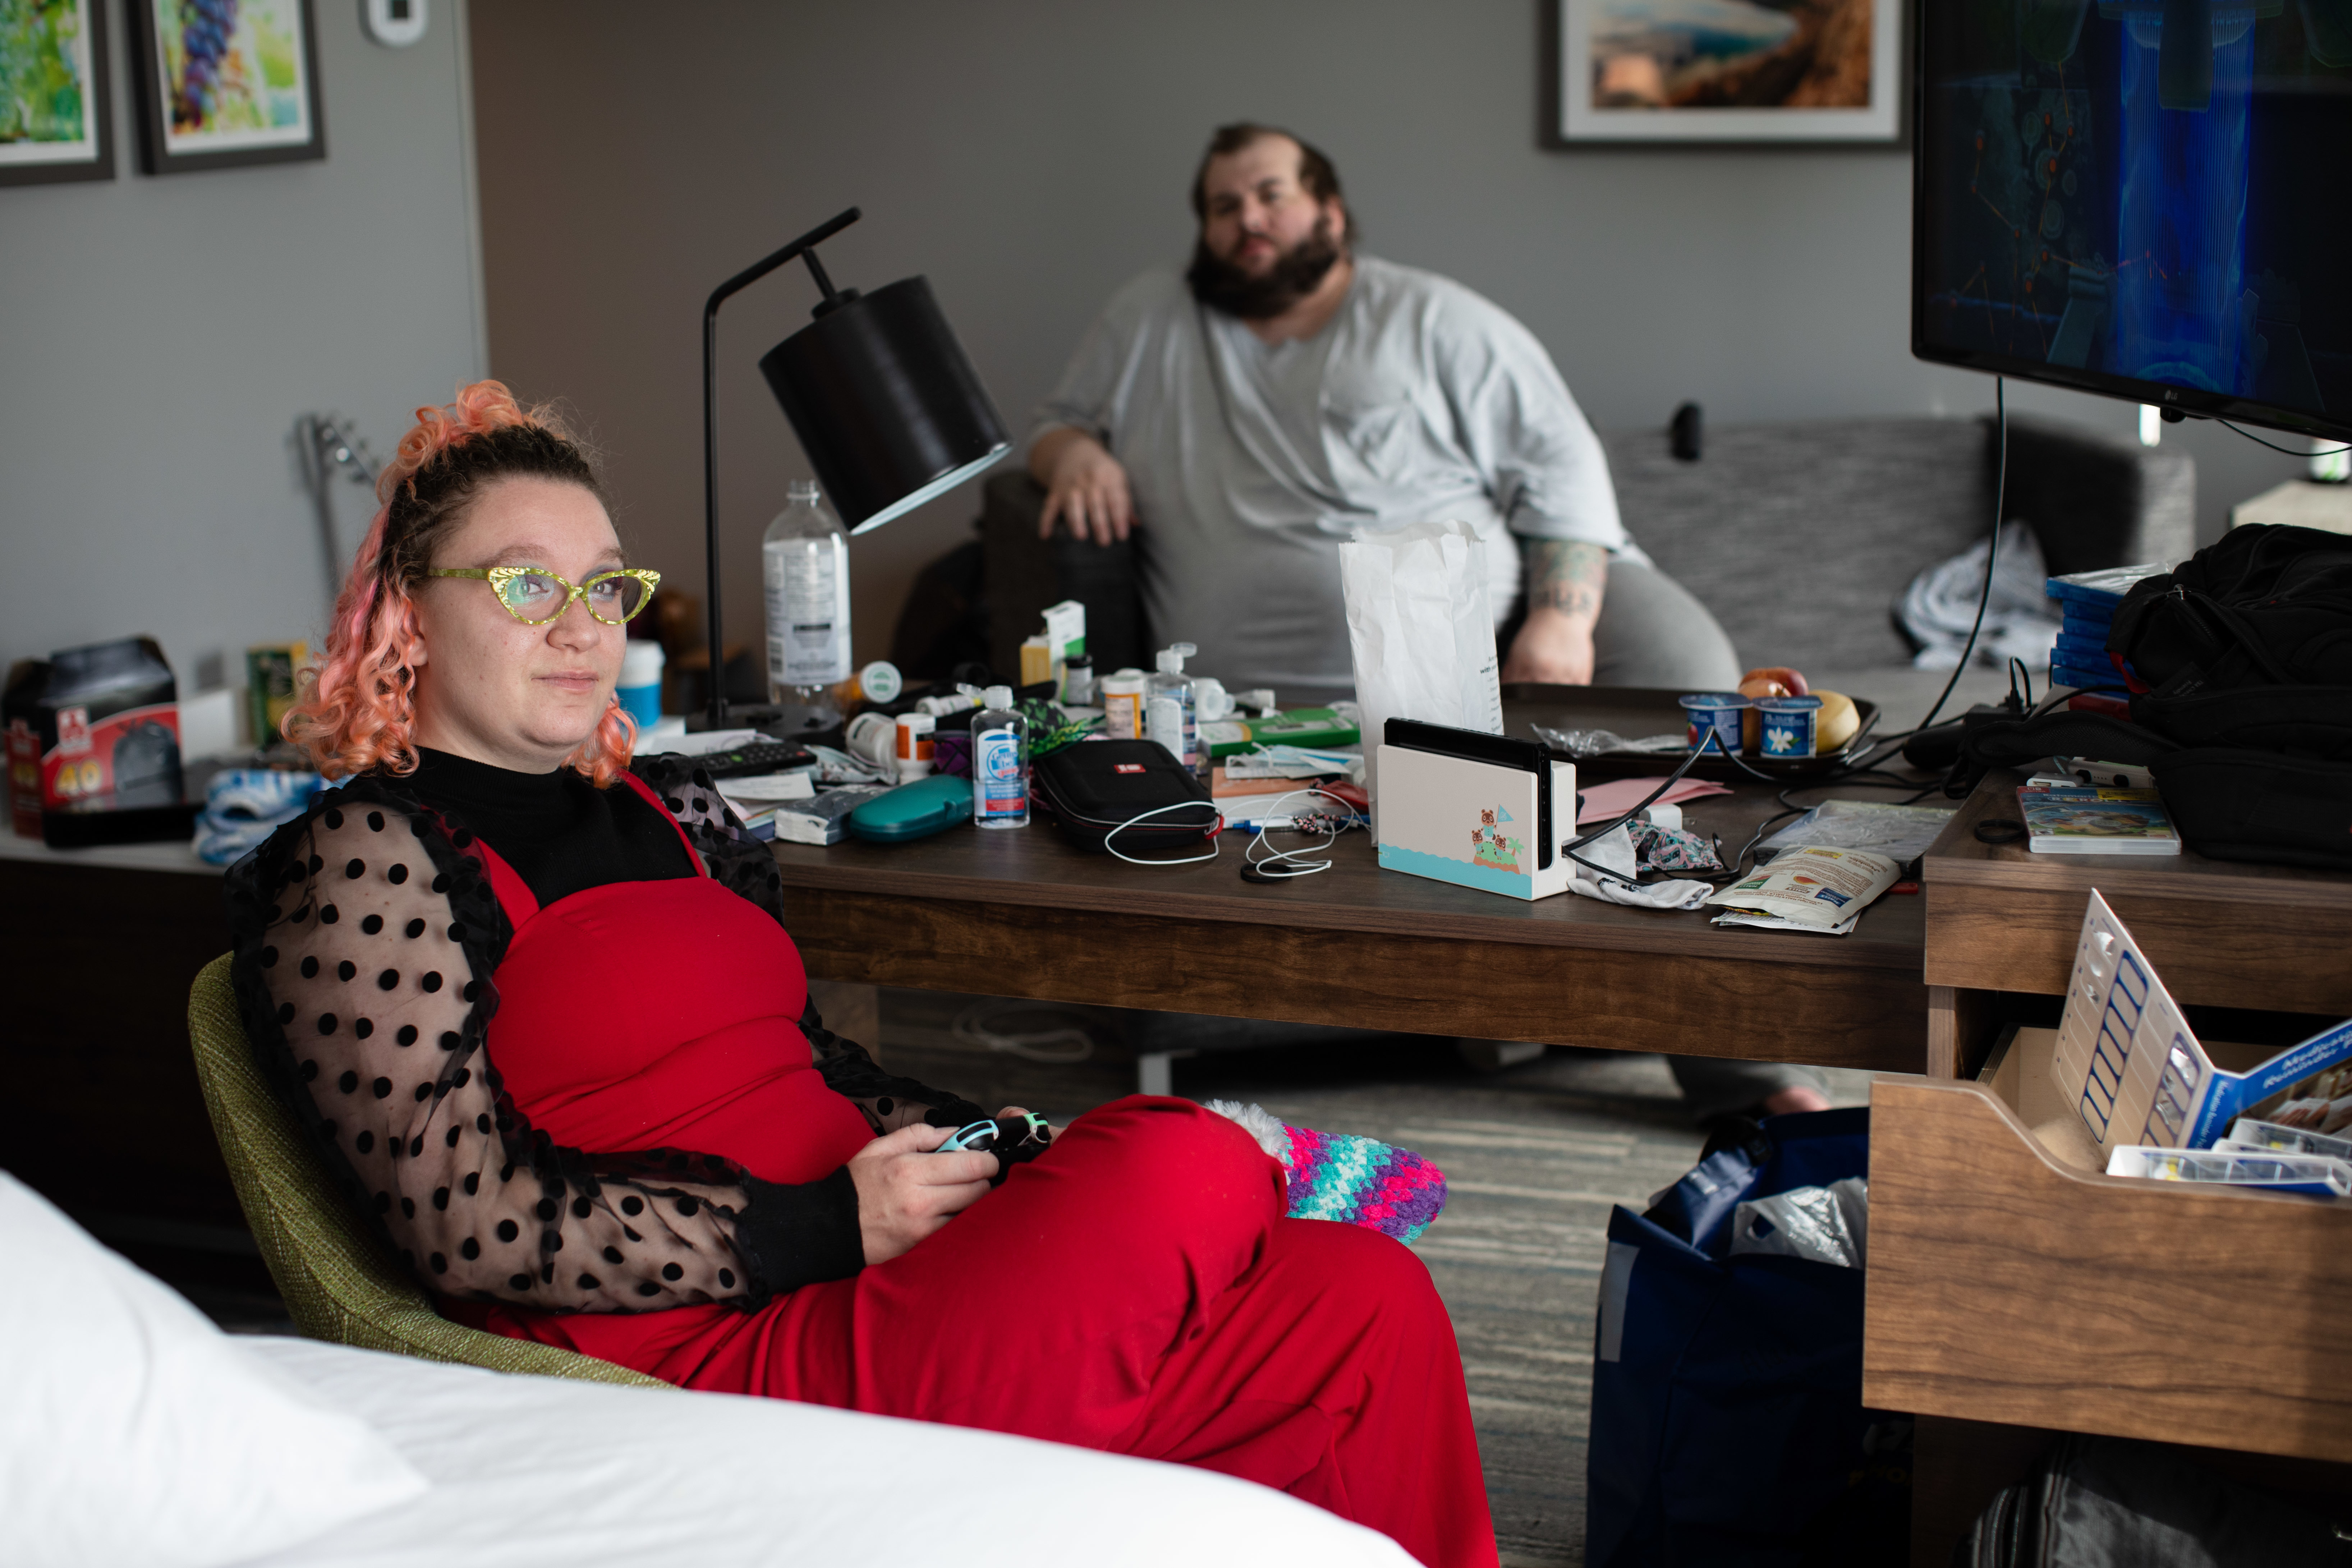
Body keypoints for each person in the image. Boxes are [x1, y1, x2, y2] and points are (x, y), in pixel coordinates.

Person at [225, 382, 1497, 1568]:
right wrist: (823, 1225)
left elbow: (817, 1068)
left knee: (1367, 1296)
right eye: (523, 582)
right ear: (407, 608)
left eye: (608, 586)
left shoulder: (675, 806)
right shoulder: (364, 855)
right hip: (714, 1351)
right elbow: (464, 1219)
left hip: (882, 1272)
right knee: (1188, 1162)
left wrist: (987, 1158)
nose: (581, 625)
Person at [1032, 124, 1824, 1122]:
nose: (1249, 221)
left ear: (1327, 207)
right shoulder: (1147, 318)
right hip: (1258, 691)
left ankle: (1747, 1074)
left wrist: (1560, 618)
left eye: (1271, 195)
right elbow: (1056, 420)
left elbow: (1564, 469)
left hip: (1483, 637)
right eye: (1224, 206)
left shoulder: (1433, 318)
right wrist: (1070, 456)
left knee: (1691, 701)